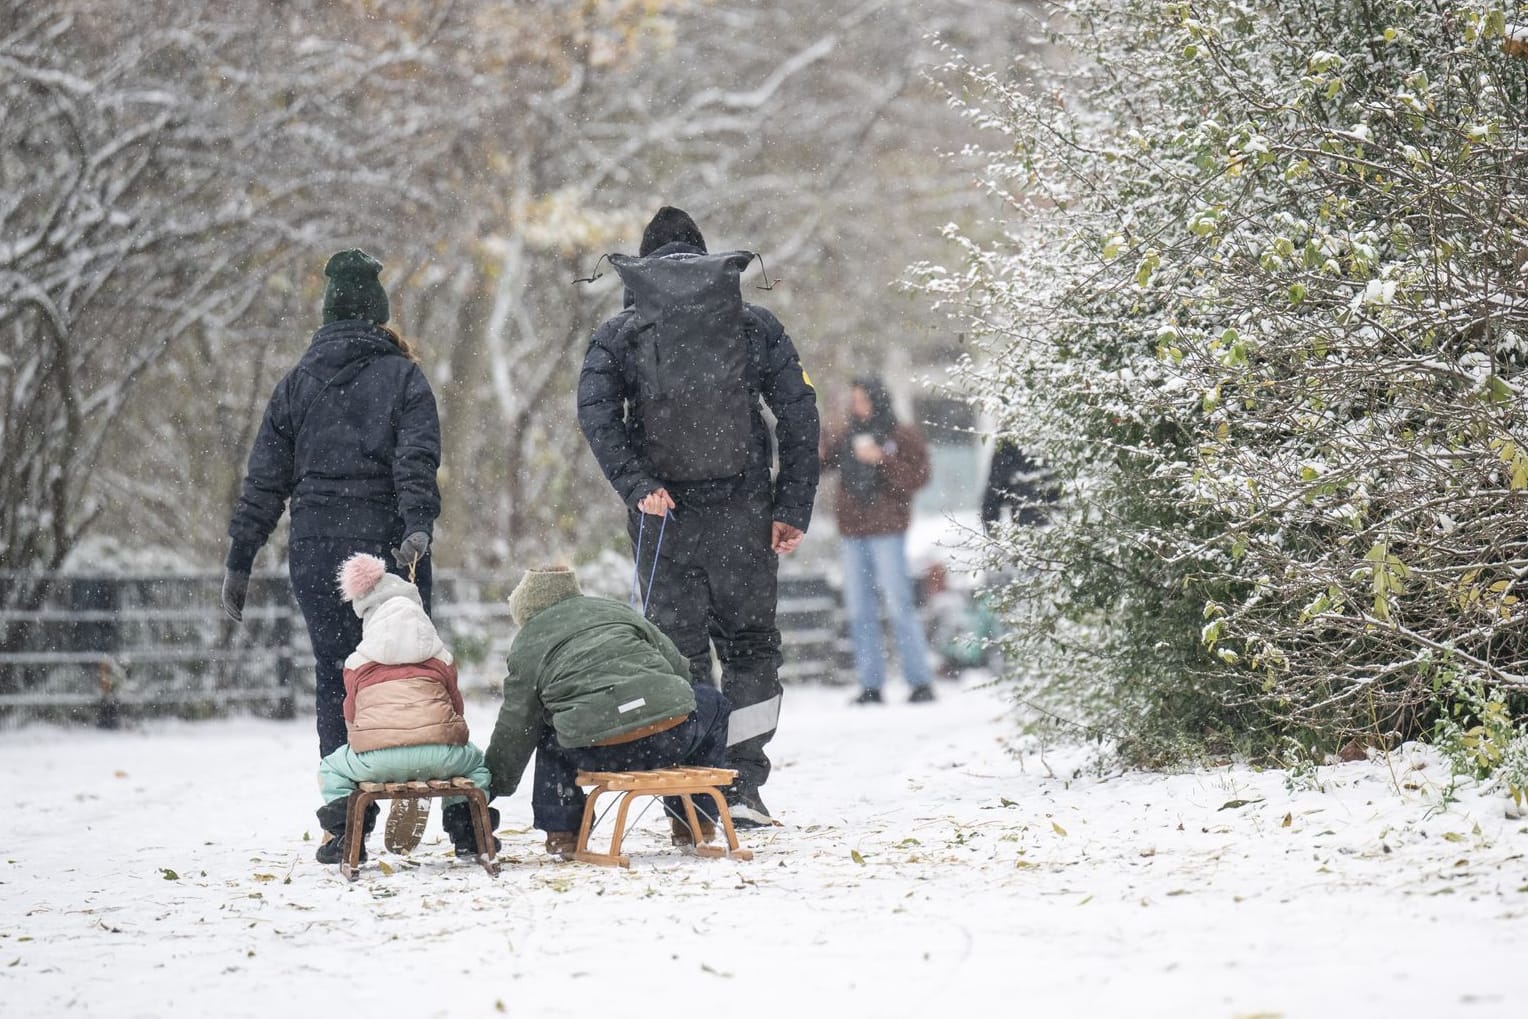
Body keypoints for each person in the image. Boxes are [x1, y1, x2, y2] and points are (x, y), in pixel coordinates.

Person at [576, 206, 819, 828]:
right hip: (745, 514)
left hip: (665, 518)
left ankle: (689, 796)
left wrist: (638, 485)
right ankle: (741, 784)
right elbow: (798, 415)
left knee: (676, 654)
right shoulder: (753, 325)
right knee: (750, 646)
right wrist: (791, 506)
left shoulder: (620, 333)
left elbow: (597, 414)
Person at [221, 248, 442, 764]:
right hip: (389, 545)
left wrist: (240, 557)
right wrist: (417, 525)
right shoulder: (405, 378)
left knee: (334, 675)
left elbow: (265, 482)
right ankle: (411, 772)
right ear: (378, 313)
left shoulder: (295, 386)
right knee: (405, 667)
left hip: (318, 548)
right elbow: (416, 461)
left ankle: (342, 816)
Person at [483, 566, 732, 857]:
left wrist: (494, 784)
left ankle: (563, 830)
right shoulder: (613, 610)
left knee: (549, 729)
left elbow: (516, 726)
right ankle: (694, 818)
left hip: (598, 750)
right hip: (672, 735)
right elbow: (679, 668)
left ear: (526, 613)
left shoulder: (527, 643)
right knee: (714, 702)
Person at [313, 553, 494, 865]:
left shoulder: (358, 662)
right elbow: (456, 708)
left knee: (331, 768)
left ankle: (348, 835)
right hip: (441, 757)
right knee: (478, 765)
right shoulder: (441, 658)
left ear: (370, 618)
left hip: (377, 760)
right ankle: (467, 832)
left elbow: (352, 717)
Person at [820, 375, 938, 705]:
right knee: (859, 610)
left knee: (900, 605)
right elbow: (822, 464)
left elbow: (919, 477)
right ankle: (870, 684)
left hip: (888, 531)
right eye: (854, 400)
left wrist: (883, 460)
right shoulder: (847, 434)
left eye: (863, 400)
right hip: (853, 532)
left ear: (877, 400)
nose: (858, 407)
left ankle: (920, 681)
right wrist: (824, 438)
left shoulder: (901, 434)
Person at [980, 437, 1055, 533]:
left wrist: (992, 526)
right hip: (1058, 526)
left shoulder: (1008, 440)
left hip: (1027, 525)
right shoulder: (1050, 435)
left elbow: (994, 489)